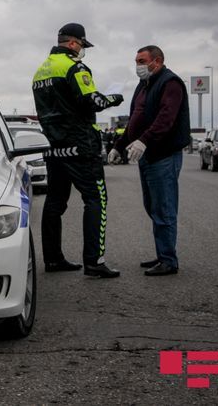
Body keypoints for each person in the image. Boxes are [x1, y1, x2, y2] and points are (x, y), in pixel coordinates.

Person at [32, 23, 124, 278]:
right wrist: (114, 98)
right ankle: (94, 261)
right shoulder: (74, 67)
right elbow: (91, 100)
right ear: (73, 43)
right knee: (96, 199)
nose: (83, 50)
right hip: (80, 145)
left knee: (54, 202)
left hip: (52, 146)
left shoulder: (40, 70)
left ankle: (53, 259)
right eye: (83, 45)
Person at [108, 45, 190, 276]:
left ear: (158, 60)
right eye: (136, 61)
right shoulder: (143, 85)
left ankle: (168, 260)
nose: (138, 66)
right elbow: (135, 119)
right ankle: (162, 253)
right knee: (152, 207)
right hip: (147, 155)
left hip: (163, 155)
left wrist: (144, 140)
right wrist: (118, 145)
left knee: (163, 209)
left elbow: (166, 118)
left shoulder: (170, 83)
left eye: (142, 61)